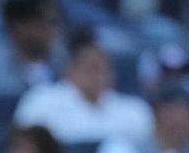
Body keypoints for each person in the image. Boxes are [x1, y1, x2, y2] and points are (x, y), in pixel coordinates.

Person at [13, 26, 154, 144]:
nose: (101, 75)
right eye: (93, 68)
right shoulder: (40, 101)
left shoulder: (135, 110)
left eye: (106, 68)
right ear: (70, 70)